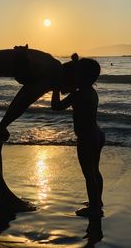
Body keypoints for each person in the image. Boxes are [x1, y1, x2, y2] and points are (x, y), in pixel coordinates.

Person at [0, 45, 68, 213]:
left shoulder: (53, 68)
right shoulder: (51, 73)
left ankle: (0, 196)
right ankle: (4, 196)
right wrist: (3, 125)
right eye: (76, 86)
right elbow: (22, 101)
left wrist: (3, 126)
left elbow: (22, 97)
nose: (72, 92)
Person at [51, 57, 105, 217]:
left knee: (88, 174)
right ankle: (97, 201)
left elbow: (56, 106)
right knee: (95, 170)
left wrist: (55, 88)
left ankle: (94, 208)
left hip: (86, 139)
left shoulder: (78, 95)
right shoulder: (91, 92)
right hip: (97, 135)